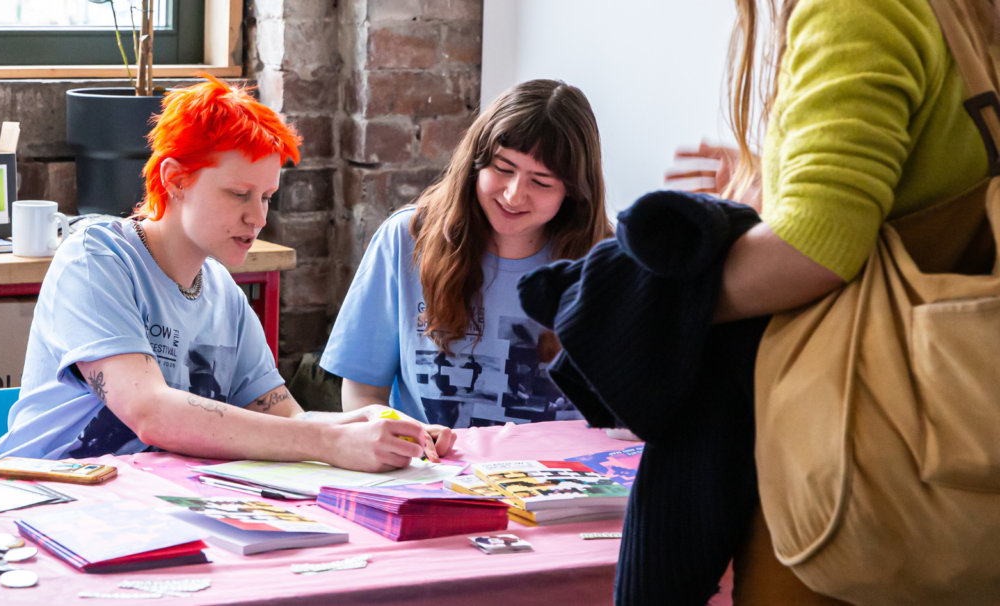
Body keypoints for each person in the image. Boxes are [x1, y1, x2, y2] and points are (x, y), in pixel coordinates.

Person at [662, 0, 1000, 603]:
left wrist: (656, 301)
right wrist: (776, 178)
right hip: (966, 456)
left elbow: (820, 247)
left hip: (855, 465)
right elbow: (928, 185)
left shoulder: (858, 6)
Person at [0, 76, 454, 470]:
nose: (259, 217)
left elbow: (289, 422)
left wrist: (370, 425)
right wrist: (333, 445)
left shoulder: (224, 293)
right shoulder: (97, 256)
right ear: (175, 180)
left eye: (266, 197)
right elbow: (151, 413)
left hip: (147, 512)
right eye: (238, 194)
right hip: (38, 507)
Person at [320, 79, 611, 428]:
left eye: (542, 182)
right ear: (476, 163)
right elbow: (363, 394)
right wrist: (406, 439)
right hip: (431, 473)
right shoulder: (406, 239)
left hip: (565, 478)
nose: (514, 195)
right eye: (502, 169)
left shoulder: (609, 264)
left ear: (575, 190)